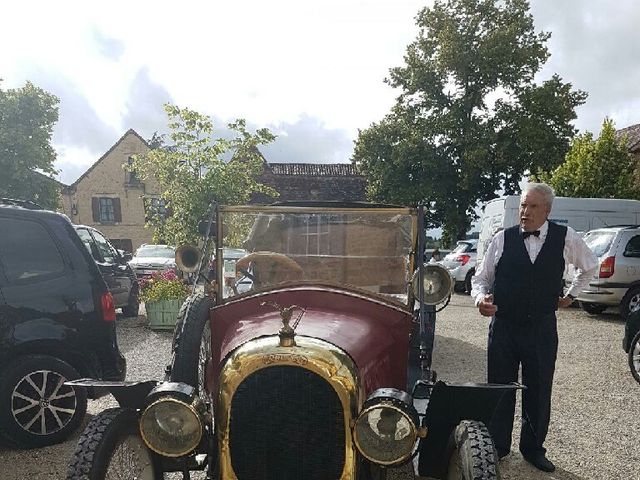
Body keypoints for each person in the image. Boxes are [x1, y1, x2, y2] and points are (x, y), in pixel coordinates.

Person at [471, 183, 597, 473]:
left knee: (539, 389)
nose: (525, 212)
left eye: (532, 207)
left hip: (541, 327)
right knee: (500, 388)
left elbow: (590, 266)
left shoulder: (566, 238)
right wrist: (480, 299)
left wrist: (571, 295)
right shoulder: (502, 239)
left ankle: (532, 449)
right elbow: (480, 279)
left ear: (547, 210)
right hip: (503, 327)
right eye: (523, 206)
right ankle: (498, 445)